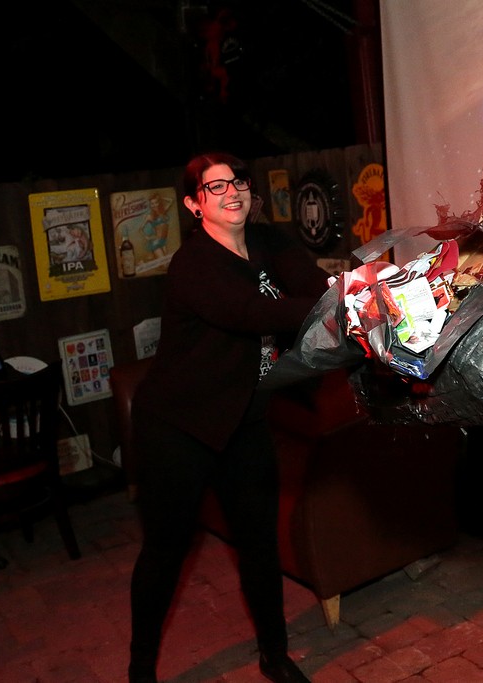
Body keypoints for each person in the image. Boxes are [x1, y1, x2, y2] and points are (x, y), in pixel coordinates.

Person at [127, 151, 329, 683]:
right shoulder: (192, 265)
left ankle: (274, 656)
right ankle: (141, 671)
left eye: (236, 181)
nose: (231, 192)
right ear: (194, 205)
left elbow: (311, 286)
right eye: (214, 187)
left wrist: (344, 297)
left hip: (244, 419)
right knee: (165, 551)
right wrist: (338, 308)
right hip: (178, 426)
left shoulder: (268, 242)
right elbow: (249, 313)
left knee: (259, 543)